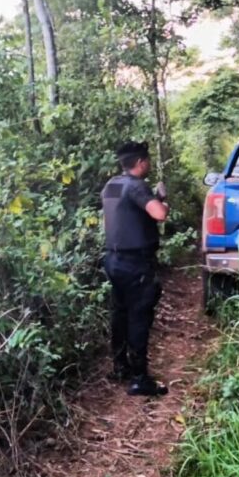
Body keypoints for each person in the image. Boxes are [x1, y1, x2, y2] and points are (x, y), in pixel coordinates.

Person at [101, 141, 170, 396]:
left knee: (119, 313)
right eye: (147, 161)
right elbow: (159, 214)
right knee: (139, 315)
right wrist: (161, 198)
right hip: (136, 263)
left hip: (113, 259)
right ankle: (140, 378)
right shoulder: (137, 186)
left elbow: (123, 216)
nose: (149, 164)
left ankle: (121, 367)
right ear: (140, 163)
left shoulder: (111, 185)